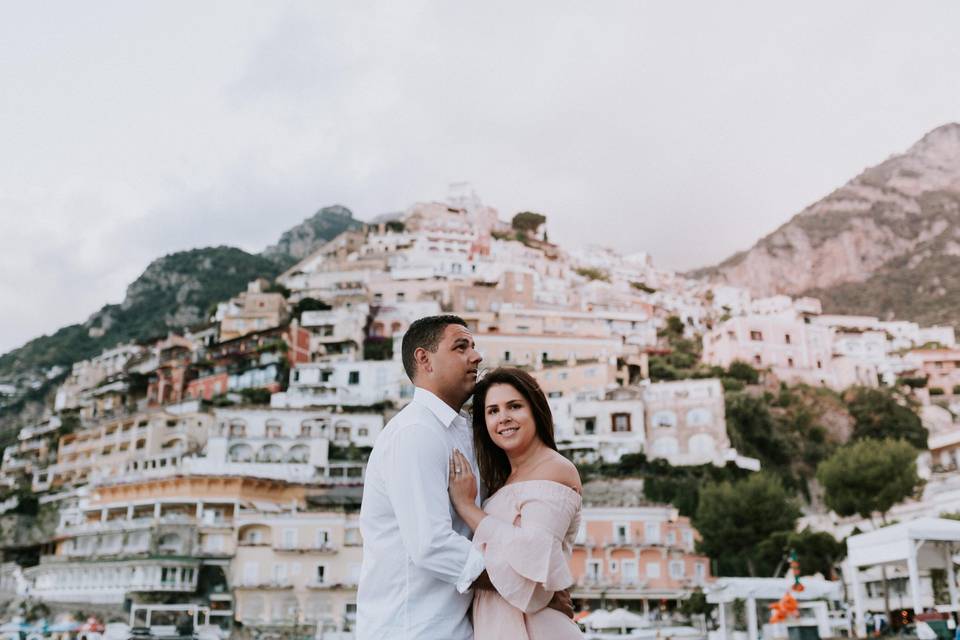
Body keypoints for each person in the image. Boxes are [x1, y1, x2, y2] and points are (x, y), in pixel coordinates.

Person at [357, 315, 485, 639]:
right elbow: (431, 545)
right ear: (424, 359)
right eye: (461, 347)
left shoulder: (460, 430)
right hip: (413, 629)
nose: (476, 356)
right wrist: (523, 583)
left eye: (473, 346)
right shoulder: (416, 432)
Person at [448, 366, 584, 639]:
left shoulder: (555, 468)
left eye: (514, 406)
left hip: (538, 629)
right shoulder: (503, 481)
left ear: (535, 409)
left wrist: (467, 508)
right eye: (493, 411)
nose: (504, 418)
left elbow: (532, 553)